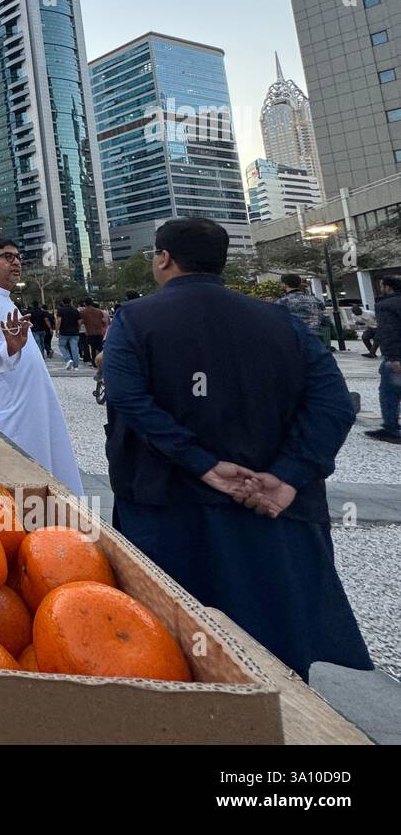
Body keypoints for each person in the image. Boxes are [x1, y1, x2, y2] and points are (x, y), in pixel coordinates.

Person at [102, 217, 370, 679]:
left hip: (169, 506)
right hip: (272, 513)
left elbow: (129, 399)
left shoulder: (136, 318)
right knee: (273, 652)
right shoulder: (281, 321)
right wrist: (289, 476)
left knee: (175, 650)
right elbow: (333, 403)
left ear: (163, 258)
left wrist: (202, 463)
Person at [0, 237, 83, 493]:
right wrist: (9, 347)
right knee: (17, 485)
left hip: (25, 407)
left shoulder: (3, 299)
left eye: (17, 257)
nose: (16, 262)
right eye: (7, 256)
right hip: (6, 410)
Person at [365, 276, 401, 443]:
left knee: (389, 393)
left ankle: (391, 428)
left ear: (387, 287)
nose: (380, 288)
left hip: (395, 355)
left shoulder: (385, 305)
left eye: (381, 285)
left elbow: (388, 332)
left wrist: (393, 358)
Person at [276, 273, 328, 349]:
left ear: (285, 284)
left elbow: (277, 323)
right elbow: (326, 321)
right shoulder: (316, 300)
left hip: (295, 339)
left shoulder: (282, 302)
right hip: (316, 338)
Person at [79, 297, 108, 368]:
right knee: (100, 348)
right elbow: (104, 321)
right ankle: (106, 360)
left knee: (92, 349)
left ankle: (94, 363)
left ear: (84, 303)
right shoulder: (99, 311)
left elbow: (80, 322)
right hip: (99, 332)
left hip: (90, 333)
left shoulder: (83, 312)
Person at [55, 297, 82, 370]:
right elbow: (79, 321)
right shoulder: (75, 310)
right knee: (75, 348)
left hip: (64, 332)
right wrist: (78, 329)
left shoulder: (61, 310)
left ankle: (68, 359)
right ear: (70, 302)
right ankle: (76, 366)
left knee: (62, 346)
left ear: (63, 302)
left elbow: (59, 321)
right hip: (74, 332)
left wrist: (57, 330)